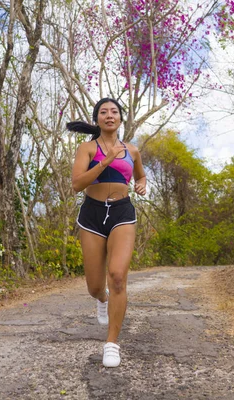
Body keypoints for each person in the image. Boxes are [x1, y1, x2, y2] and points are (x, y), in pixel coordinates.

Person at [68, 98, 147, 368]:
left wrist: (141, 183)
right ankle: (101, 299)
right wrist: (105, 162)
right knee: (94, 285)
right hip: (92, 214)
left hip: (122, 213)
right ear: (97, 119)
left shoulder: (132, 151)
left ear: (121, 119)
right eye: (104, 112)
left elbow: (140, 175)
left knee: (117, 276)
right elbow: (76, 184)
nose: (109, 115)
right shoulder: (88, 148)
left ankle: (111, 343)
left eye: (114, 112)